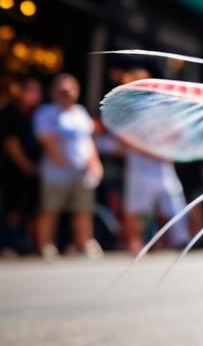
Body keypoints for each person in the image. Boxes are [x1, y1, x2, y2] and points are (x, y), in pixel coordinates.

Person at [33, 73, 104, 259]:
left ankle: (84, 244)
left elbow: (88, 141)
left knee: (83, 210)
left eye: (71, 90)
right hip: (56, 173)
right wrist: (66, 163)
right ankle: (46, 246)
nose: (67, 94)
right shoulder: (46, 112)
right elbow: (46, 140)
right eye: (62, 91)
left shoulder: (80, 112)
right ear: (53, 92)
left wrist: (95, 163)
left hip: (81, 173)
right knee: (50, 210)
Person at [119, 70, 189, 253]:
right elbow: (124, 138)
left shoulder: (162, 108)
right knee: (136, 209)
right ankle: (134, 243)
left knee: (174, 202)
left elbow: (178, 134)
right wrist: (153, 151)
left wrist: (168, 148)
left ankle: (180, 240)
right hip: (139, 169)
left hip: (164, 168)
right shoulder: (129, 109)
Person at [0, 76, 43, 255]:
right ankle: (7, 244)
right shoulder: (10, 112)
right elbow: (10, 142)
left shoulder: (38, 113)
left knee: (31, 209)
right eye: (30, 91)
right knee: (12, 210)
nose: (33, 96)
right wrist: (25, 165)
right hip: (11, 170)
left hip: (33, 171)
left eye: (36, 92)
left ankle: (26, 244)